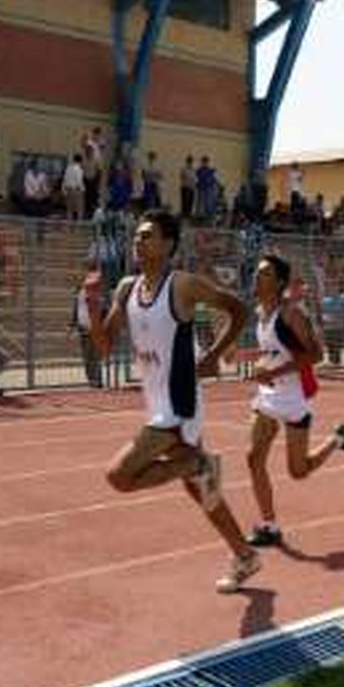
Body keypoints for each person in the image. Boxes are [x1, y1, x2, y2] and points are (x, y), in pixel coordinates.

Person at [84, 211, 260, 593]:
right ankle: (245, 555)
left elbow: (239, 310)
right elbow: (102, 347)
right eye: (137, 235)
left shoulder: (183, 285)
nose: (138, 240)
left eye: (147, 236)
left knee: (118, 475)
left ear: (168, 245)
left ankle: (194, 462)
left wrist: (214, 355)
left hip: (180, 404)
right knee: (201, 489)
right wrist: (92, 304)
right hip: (156, 402)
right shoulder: (126, 289)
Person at [241, 255, 344, 548]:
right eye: (256, 272)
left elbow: (315, 355)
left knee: (298, 471)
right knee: (253, 458)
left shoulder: (292, 314)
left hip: (292, 398)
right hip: (268, 396)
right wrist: (247, 359)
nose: (257, 277)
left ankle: (337, 439)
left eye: (264, 274)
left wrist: (274, 371)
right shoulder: (261, 313)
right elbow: (273, 349)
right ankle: (269, 526)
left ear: (279, 282)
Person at [70, 273, 103, 388]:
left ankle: (98, 380)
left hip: (94, 327)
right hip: (82, 328)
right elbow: (76, 309)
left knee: (95, 355)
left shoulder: (97, 292)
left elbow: (102, 309)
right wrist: (72, 325)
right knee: (86, 356)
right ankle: (91, 380)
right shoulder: (79, 291)